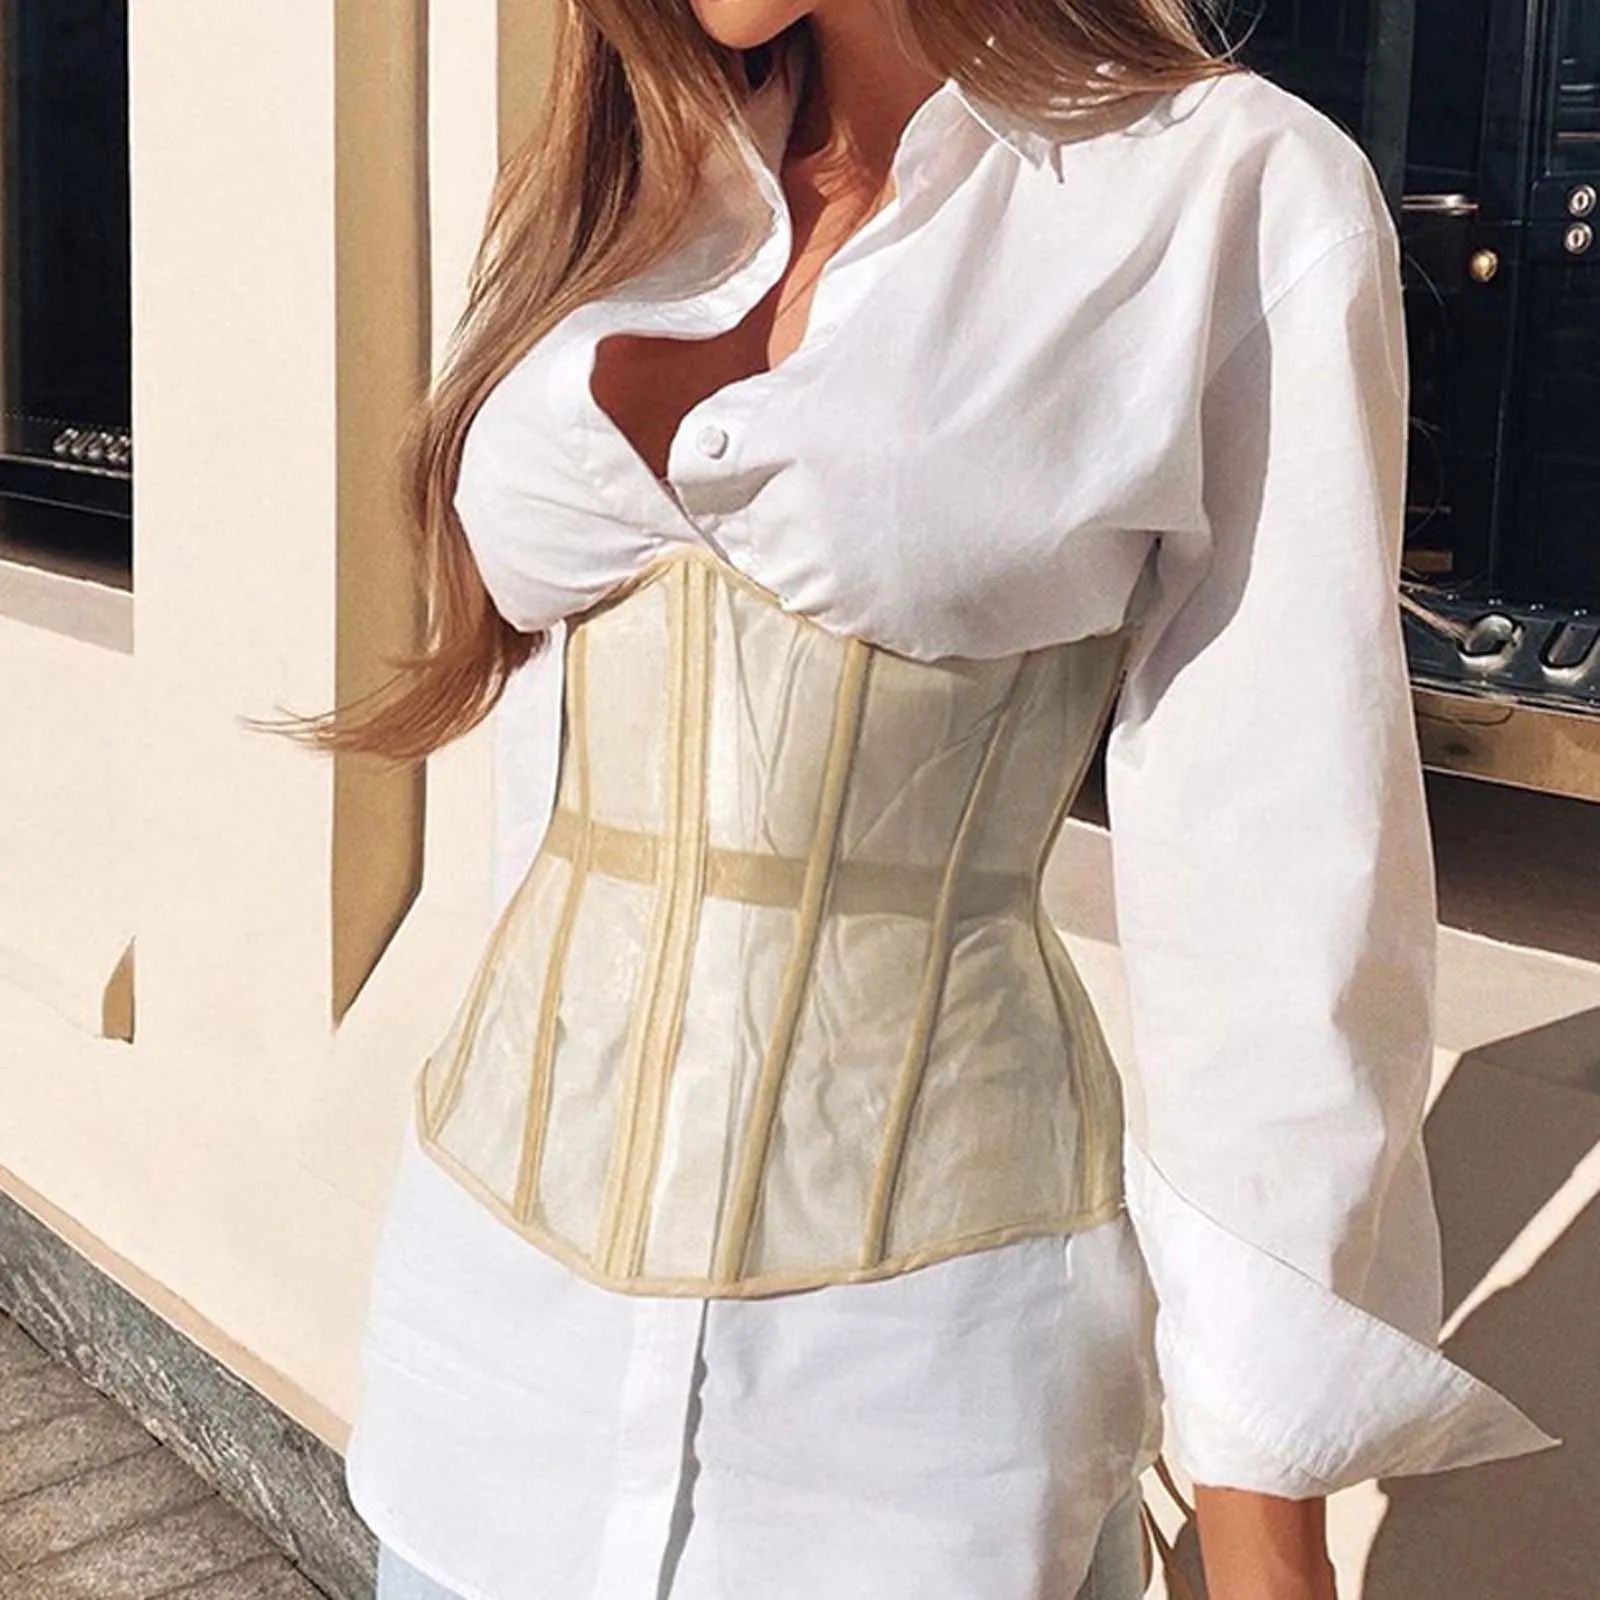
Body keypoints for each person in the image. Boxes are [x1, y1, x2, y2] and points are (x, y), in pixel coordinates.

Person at [271, 2, 1557, 1595]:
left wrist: (1264, 1536)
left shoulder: (1225, 195)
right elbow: (543, 788)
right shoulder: (626, 191)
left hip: (920, 1415)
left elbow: (1277, 889)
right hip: (488, 1375)